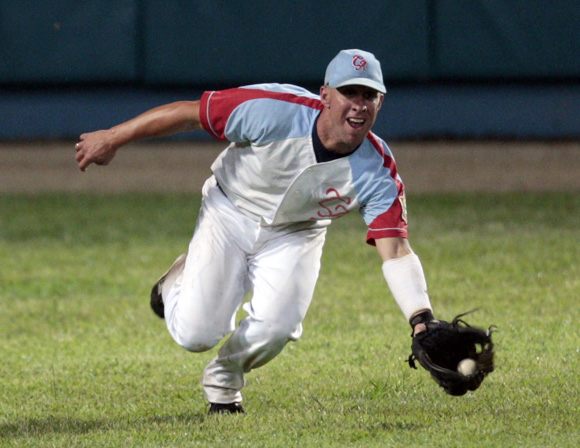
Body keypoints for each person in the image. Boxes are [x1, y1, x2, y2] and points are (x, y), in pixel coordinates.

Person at [74, 49, 434, 415]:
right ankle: (174, 283)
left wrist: (422, 319)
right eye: (349, 93)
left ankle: (224, 384)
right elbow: (190, 113)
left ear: (381, 101)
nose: (359, 105)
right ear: (326, 95)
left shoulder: (377, 169)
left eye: (369, 95)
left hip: (297, 233)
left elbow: (396, 250)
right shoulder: (273, 108)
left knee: (278, 326)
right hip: (230, 211)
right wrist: (113, 137)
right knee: (195, 335)